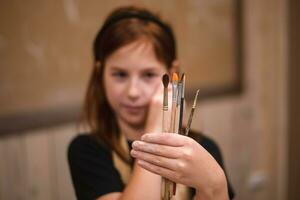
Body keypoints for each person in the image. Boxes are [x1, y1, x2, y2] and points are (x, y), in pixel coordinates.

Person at [68, 5, 235, 200]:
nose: (133, 92)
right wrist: (155, 127)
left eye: (148, 75)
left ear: (172, 74)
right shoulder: (88, 150)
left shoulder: (202, 149)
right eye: (120, 74)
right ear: (100, 73)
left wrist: (215, 183)